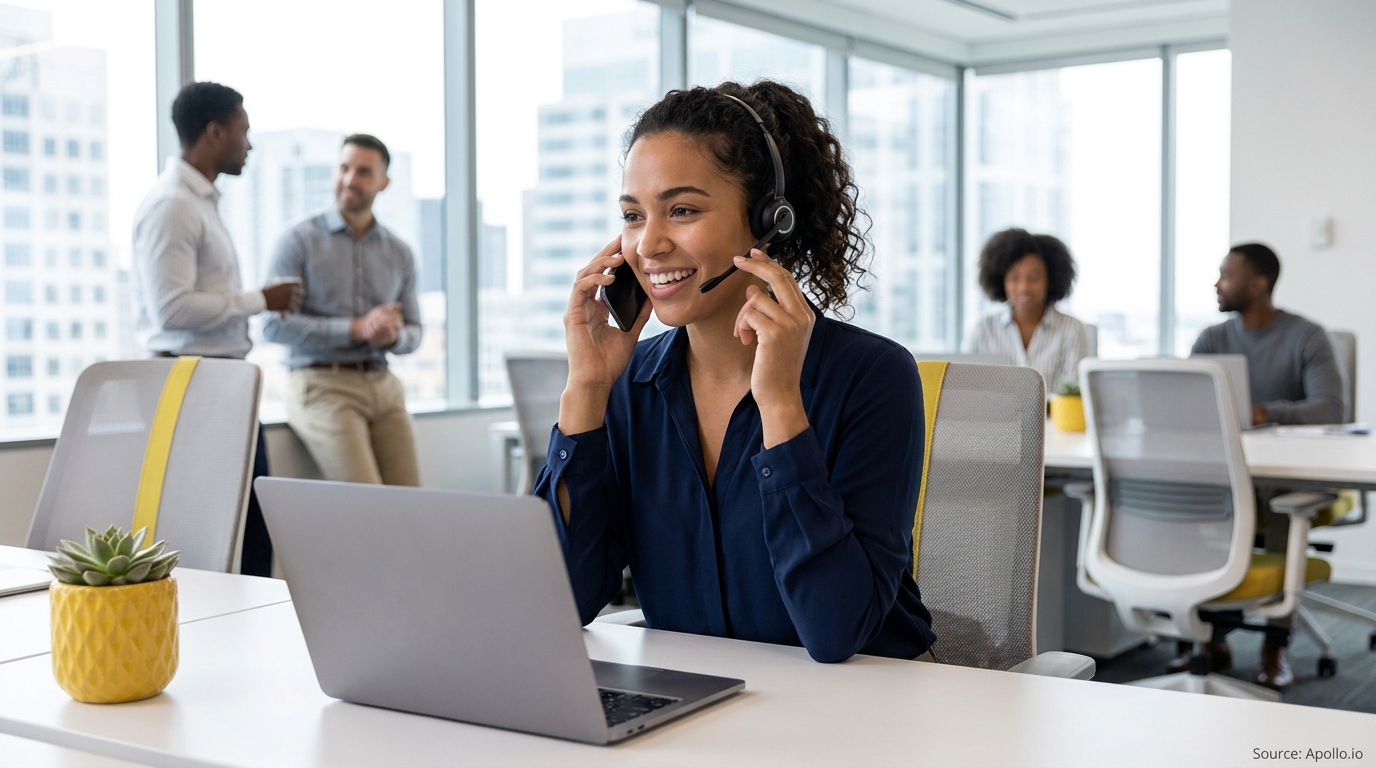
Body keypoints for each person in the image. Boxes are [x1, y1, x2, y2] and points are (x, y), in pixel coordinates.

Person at [534, 81, 935, 663]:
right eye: (632, 215)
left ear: (769, 219)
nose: (648, 244)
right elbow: (560, 602)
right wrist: (587, 391)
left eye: (683, 210)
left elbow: (836, 632)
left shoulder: (871, 376)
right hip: (702, 706)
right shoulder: (628, 386)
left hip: (864, 706)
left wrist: (780, 409)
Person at [131, 82, 302, 577]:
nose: (248, 144)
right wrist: (260, 301)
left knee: (248, 529)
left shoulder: (200, 203)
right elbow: (172, 309)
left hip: (221, 379)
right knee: (221, 533)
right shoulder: (173, 205)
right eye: (243, 131)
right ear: (214, 132)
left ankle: (244, 643)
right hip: (194, 383)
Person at [1179, 242, 1345, 689]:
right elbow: (1187, 403)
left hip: (1289, 474)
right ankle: (1207, 638)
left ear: (1258, 283)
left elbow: (1331, 409)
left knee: (1276, 502)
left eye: (1225, 275)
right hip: (1226, 470)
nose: (1217, 283)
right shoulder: (1212, 338)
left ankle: (1275, 643)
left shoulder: (1306, 335)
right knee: (1187, 497)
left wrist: (1262, 412)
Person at [262, 135, 422, 486]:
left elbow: (415, 333)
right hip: (320, 385)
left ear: (384, 182)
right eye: (344, 168)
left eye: (364, 172)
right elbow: (272, 326)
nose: (350, 179)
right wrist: (355, 328)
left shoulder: (400, 253)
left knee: (414, 503)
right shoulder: (298, 241)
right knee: (366, 504)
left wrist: (395, 334)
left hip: (383, 384)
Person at [965, 228, 1090, 393]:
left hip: (1052, 419)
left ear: (1050, 279)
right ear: (1001, 280)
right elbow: (966, 388)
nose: (1023, 288)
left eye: (1033, 278)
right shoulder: (983, 329)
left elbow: (1072, 395)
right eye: (1014, 279)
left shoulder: (1072, 330)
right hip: (994, 419)